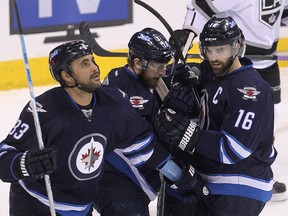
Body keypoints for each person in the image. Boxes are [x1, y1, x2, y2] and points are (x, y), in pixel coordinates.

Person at [0, 40, 205, 216]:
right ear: (67, 76)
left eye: (93, 61)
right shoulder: (45, 110)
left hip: (80, 205)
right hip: (37, 203)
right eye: (85, 64)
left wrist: (180, 176)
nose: (95, 68)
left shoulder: (113, 102)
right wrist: (24, 164)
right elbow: (4, 157)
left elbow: (144, 147)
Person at [156, 16, 277, 216]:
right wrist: (185, 73)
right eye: (208, 50)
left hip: (240, 186)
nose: (213, 57)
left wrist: (186, 133)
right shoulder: (213, 73)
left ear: (237, 47)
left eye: (220, 50)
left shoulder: (250, 90)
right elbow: (197, 71)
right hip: (209, 181)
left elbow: (233, 150)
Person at [172, 0, 288, 202]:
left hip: (269, 61)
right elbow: (202, 6)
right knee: (226, 116)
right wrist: (188, 32)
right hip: (235, 63)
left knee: (268, 119)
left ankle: (258, 170)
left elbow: (282, 13)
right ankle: (226, 171)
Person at [95, 28, 208, 216]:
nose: (163, 72)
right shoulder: (130, 94)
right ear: (138, 62)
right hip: (117, 184)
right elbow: (145, 147)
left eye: (166, 64)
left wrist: (191, 72)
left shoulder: (125, 75)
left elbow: (169, 73)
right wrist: (181, 176)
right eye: (158, 66)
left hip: (119, 180)